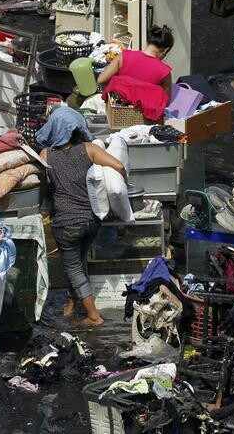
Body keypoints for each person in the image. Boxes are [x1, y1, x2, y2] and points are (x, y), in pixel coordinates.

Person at [37, 107, 127, 326]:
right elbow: (119, 166)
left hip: (66, 223)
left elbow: (43, 187)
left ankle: (94, 316)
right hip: (91, 221)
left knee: (73, 267)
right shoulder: (89, 149)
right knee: (78, 264)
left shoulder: (46, 155)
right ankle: (71, 304)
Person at [97, 25, 174, 122]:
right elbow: (165, 102)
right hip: (144, 120)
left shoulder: (124, 56)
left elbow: (101, 79)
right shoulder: (165, 72)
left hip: (118, 117)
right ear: (165, 50)